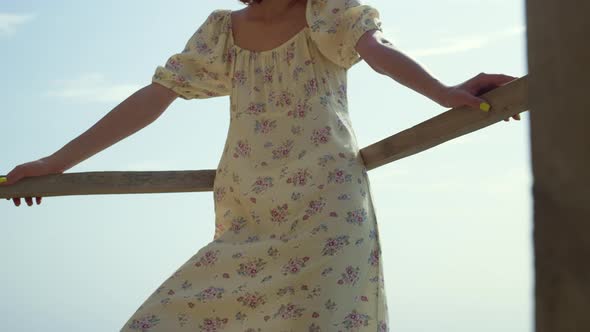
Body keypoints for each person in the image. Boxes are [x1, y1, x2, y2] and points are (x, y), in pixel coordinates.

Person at [1, 0, 521, 330]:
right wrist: (53, 162)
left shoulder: (327, 12)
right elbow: (152, 99)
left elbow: (379, 52)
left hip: (326, 209)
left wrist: (444, 93)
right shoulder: (220, 31)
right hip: (247, 211)